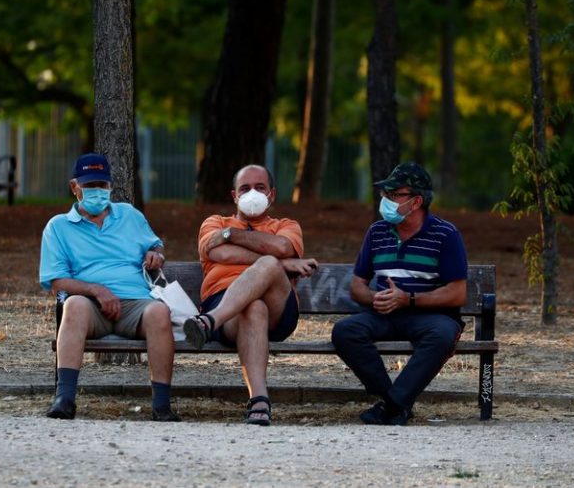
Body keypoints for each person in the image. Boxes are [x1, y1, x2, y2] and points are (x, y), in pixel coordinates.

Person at [39, 153, 180, 422]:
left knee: (159, 312)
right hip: (90, 306)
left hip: (135, 303)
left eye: (102, 186)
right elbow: (56, 282)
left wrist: (156, 255)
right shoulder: (58, 227)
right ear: (75, 187)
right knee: (73, 305)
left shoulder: (129, 215)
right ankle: (64, 400)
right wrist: (96, 290)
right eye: (89, 186)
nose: (97, 191)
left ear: (110, 186)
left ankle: (162, 406)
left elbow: (155, 245)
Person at [331, 162, 468, 426]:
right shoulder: (377, 232)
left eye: (394, 194)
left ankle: (391, 406)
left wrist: (409, 299)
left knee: (442, 335)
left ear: (416, 201)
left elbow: (457, 293)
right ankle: (394, 402)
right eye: (385, 193)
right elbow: (357, 285)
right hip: (385, 313)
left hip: (430, 316)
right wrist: (375, 298)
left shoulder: (445, 234)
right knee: (345, 331)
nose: (386, 199)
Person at [183, 164, 318, 426]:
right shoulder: (215, 223)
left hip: (276, 309)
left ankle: (208, 322)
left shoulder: (286, 225)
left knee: (269, 265)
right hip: (226, 305)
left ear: (271, 195)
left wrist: (233, 236)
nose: (252, 193)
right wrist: (282, 262)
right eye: (245, 188)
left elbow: (283, 246)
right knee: (254, 305)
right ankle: (259, 400)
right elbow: (217, 252)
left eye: (260, 187)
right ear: (234, 196)